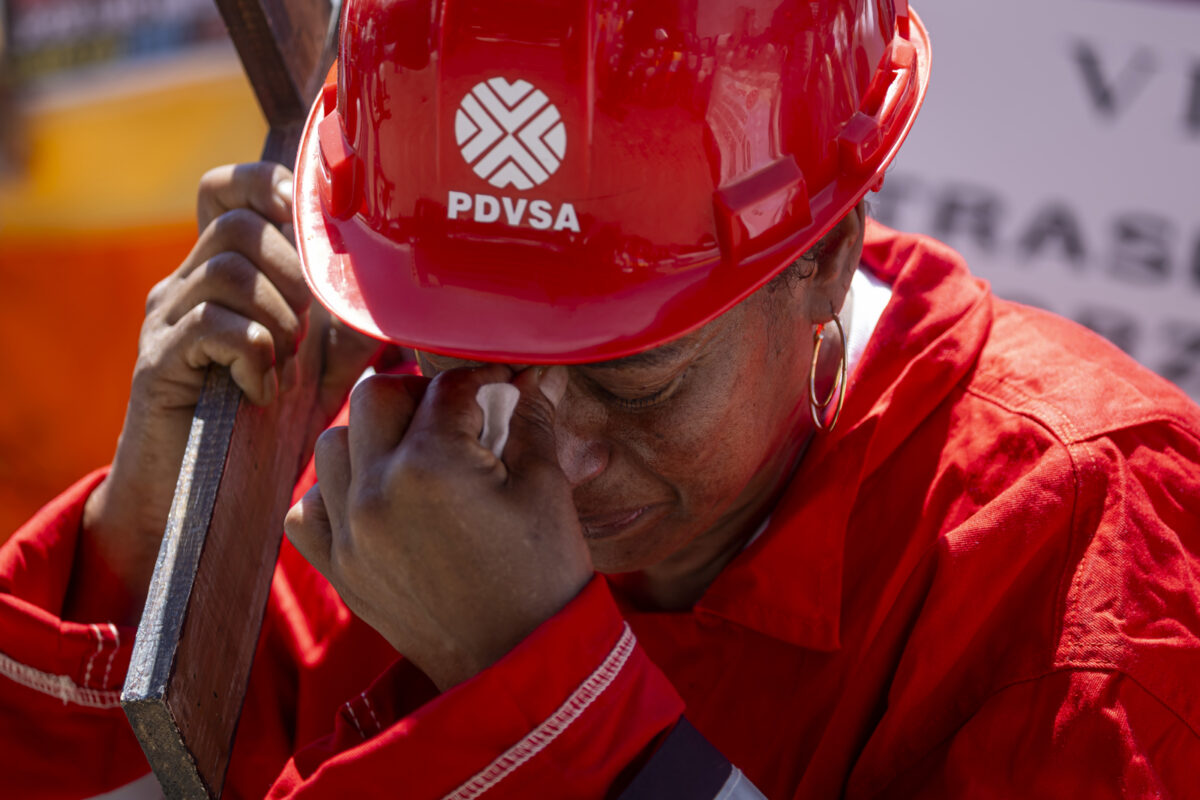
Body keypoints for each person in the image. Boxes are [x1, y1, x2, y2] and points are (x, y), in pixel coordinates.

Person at [3, 1, 1199, 797]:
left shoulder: (1087, 582)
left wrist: (535, 688)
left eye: (635, 374)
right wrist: (158, 542)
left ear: (825, 257)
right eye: (482, 354)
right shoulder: (401, 469)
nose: (552, 454)